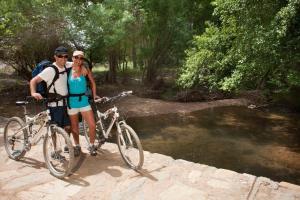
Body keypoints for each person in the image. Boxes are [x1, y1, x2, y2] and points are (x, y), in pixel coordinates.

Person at [67, 50, 100, 156]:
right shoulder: (67, 70)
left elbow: (93, 83)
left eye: (81, 58)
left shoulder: (85, 69)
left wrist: (94, 95)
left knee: (92, 124)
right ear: (72, 58)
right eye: (76, 57)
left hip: (84, 101)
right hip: (71, 102)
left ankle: (91, 145)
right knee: (74, 127)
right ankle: (77, 146)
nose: (79, 60)